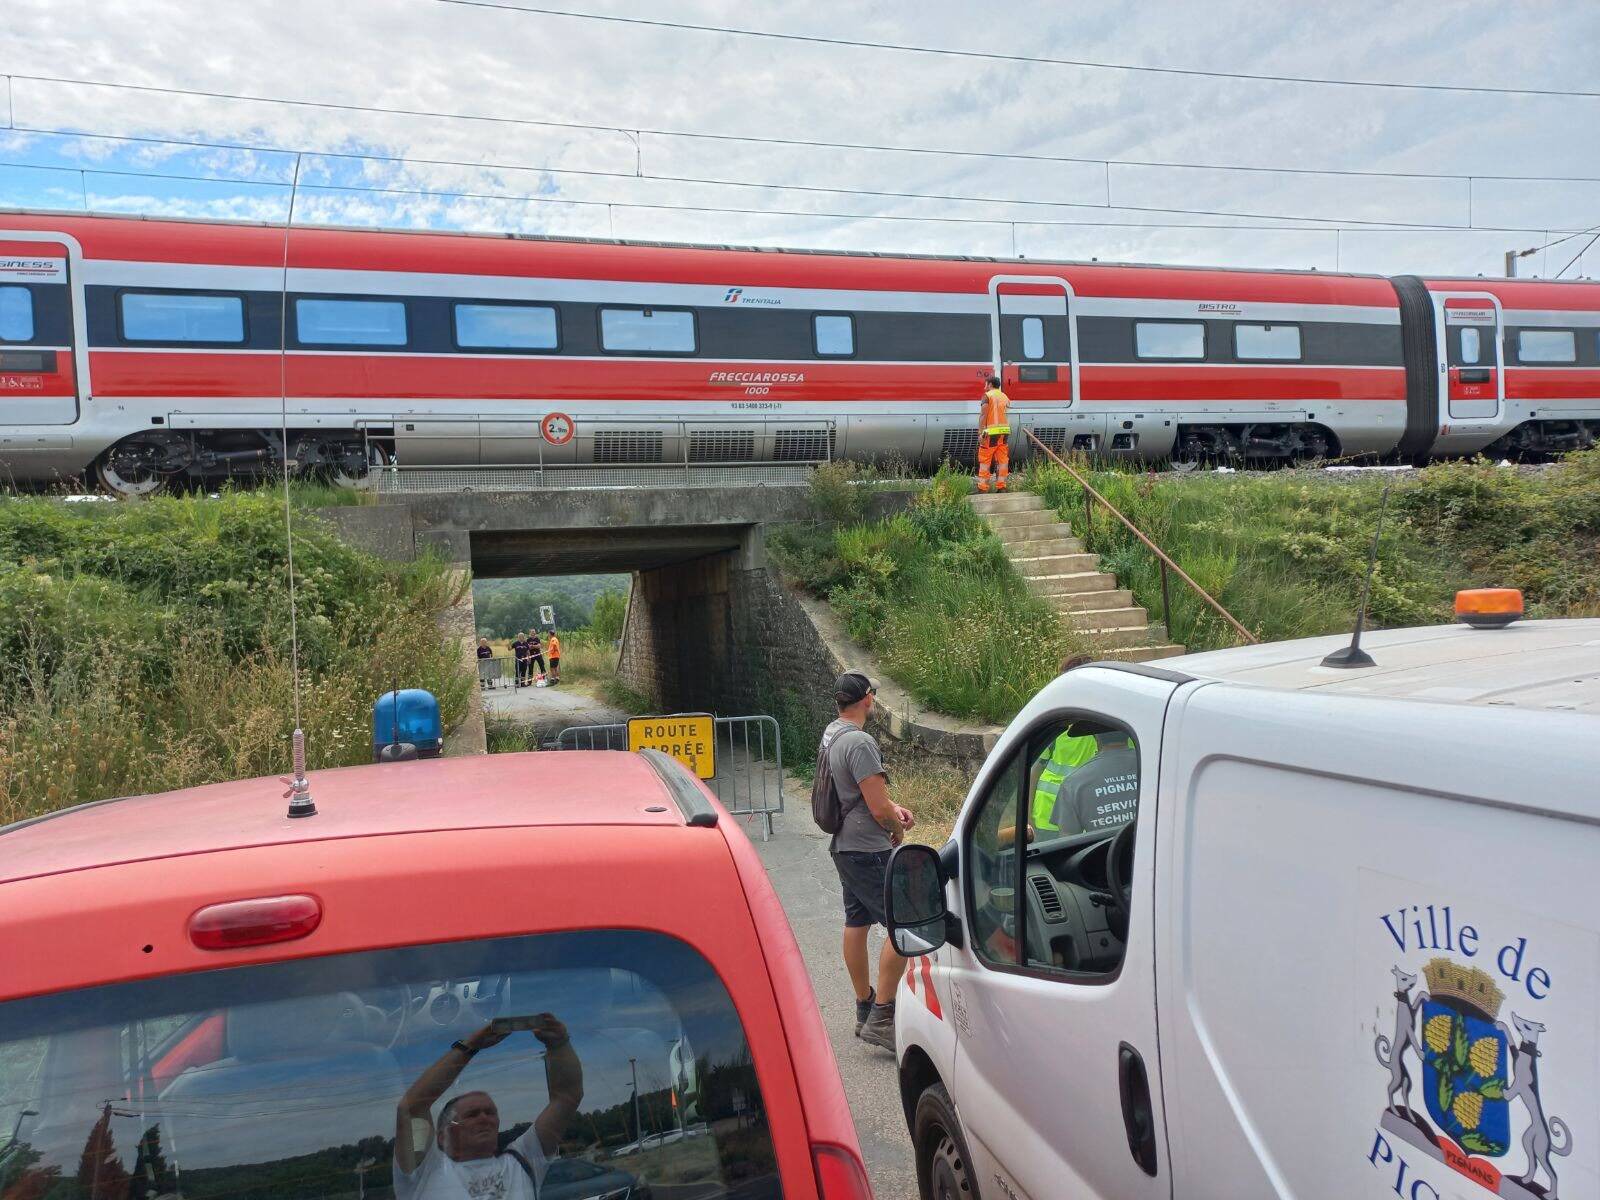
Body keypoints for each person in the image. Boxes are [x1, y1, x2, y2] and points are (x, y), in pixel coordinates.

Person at [820, 671, 914, 1052]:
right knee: (905, 925)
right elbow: (876, 805)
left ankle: (863, 1005)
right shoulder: (860, 742)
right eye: (873, 694)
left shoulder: (833, 733)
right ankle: (883, 1014)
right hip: (868, 848)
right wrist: (897, 827)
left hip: (845, 844)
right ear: (868, 700)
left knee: (856, 922)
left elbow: (860, 794)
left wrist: (894, 808)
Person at [394, 1015, 584, 1200]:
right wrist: (470, 1046)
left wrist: (559, 1044)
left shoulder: (522, 1160)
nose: (484, 1118)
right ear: (443, 1136)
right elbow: (412, 1108)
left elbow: (566, 1098)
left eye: (491, 1112)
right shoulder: (426, 1172)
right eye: (472, 1114)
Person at [976, 374, 1011, 493]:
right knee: (1002, 460)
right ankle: (1002, 487)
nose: (984, 386)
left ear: (990, 384)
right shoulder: (1004, 396)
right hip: (1004, 432)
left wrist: (980, 433)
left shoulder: (987, 396)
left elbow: (983, 415)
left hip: (990, 434)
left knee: (985, 460)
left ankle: (983, 488)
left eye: (985, 384)